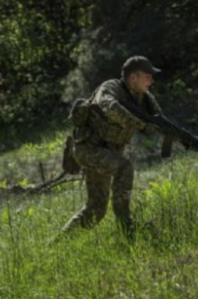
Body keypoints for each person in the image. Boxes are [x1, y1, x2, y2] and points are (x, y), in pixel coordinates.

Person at [61, 56, 166, 239]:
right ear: (134, 78)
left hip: (107, 152)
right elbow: (110, 108)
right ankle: (126, 226)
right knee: (124, 167)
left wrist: (182, 137)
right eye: (148, 76)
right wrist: (140, 124)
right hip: (88, 149)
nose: (152, 80)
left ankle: (58, 245)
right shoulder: (110, 88)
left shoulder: (145, 98)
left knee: (96, 210)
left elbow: (160, 120)